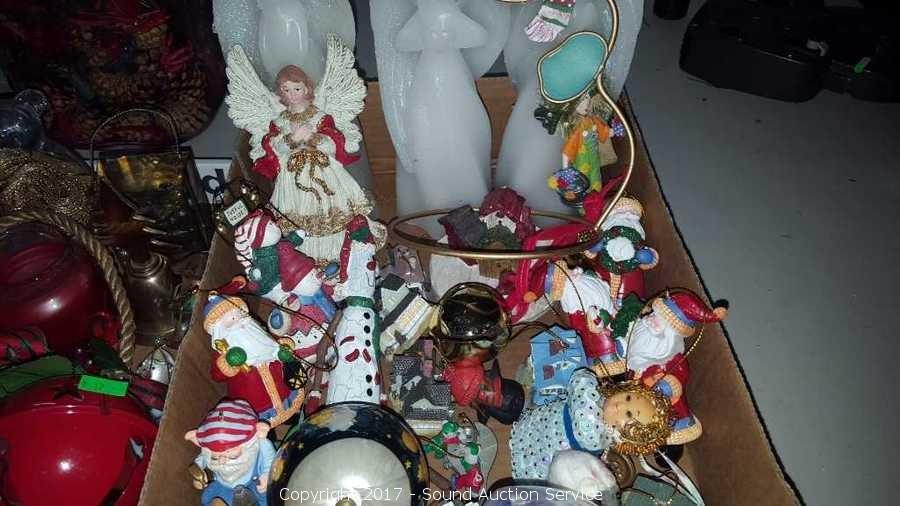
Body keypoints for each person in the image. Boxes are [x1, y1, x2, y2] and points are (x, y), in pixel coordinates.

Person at [185, 399, 276, 506]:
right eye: (215, 457)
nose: (222, 461)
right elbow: (200, 462)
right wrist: (198, 478)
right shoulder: (208, 451)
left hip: (254, 483)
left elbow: (271, 459)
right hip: (224, 485)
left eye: (232, 455)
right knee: (207, 496)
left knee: (267, 496)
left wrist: (267, 475)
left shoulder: (259, 443)